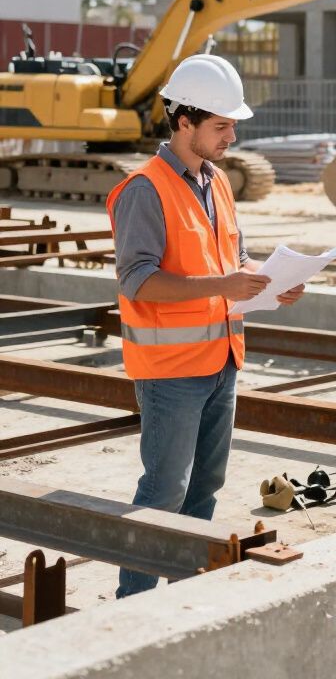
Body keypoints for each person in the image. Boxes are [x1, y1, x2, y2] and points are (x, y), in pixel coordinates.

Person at [107, 54, 305, 598]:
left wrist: (271, 281)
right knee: (163, 491)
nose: (231, 135)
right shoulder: (144, 190)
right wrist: (223, 286)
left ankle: (185, 591)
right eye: (221, 125)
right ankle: (135, 603)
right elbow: (138, 282)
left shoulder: (217, 182)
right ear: (184, 121)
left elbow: (231, 262)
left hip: (222, 361)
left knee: (206, 488)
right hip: (171, 372)